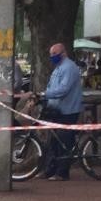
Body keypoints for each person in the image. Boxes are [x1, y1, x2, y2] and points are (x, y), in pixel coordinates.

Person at [40, 43, 84, 181]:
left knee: (64, 142)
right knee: (54, 142)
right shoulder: (58, 68)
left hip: (68, 110)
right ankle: (50, 170)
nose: (52, 56)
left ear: (63, 53)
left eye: (54, 53)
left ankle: (62, 172)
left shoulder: (69, 68)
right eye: (51, 54)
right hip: (57, 110)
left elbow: (63, 89)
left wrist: (44, 94)